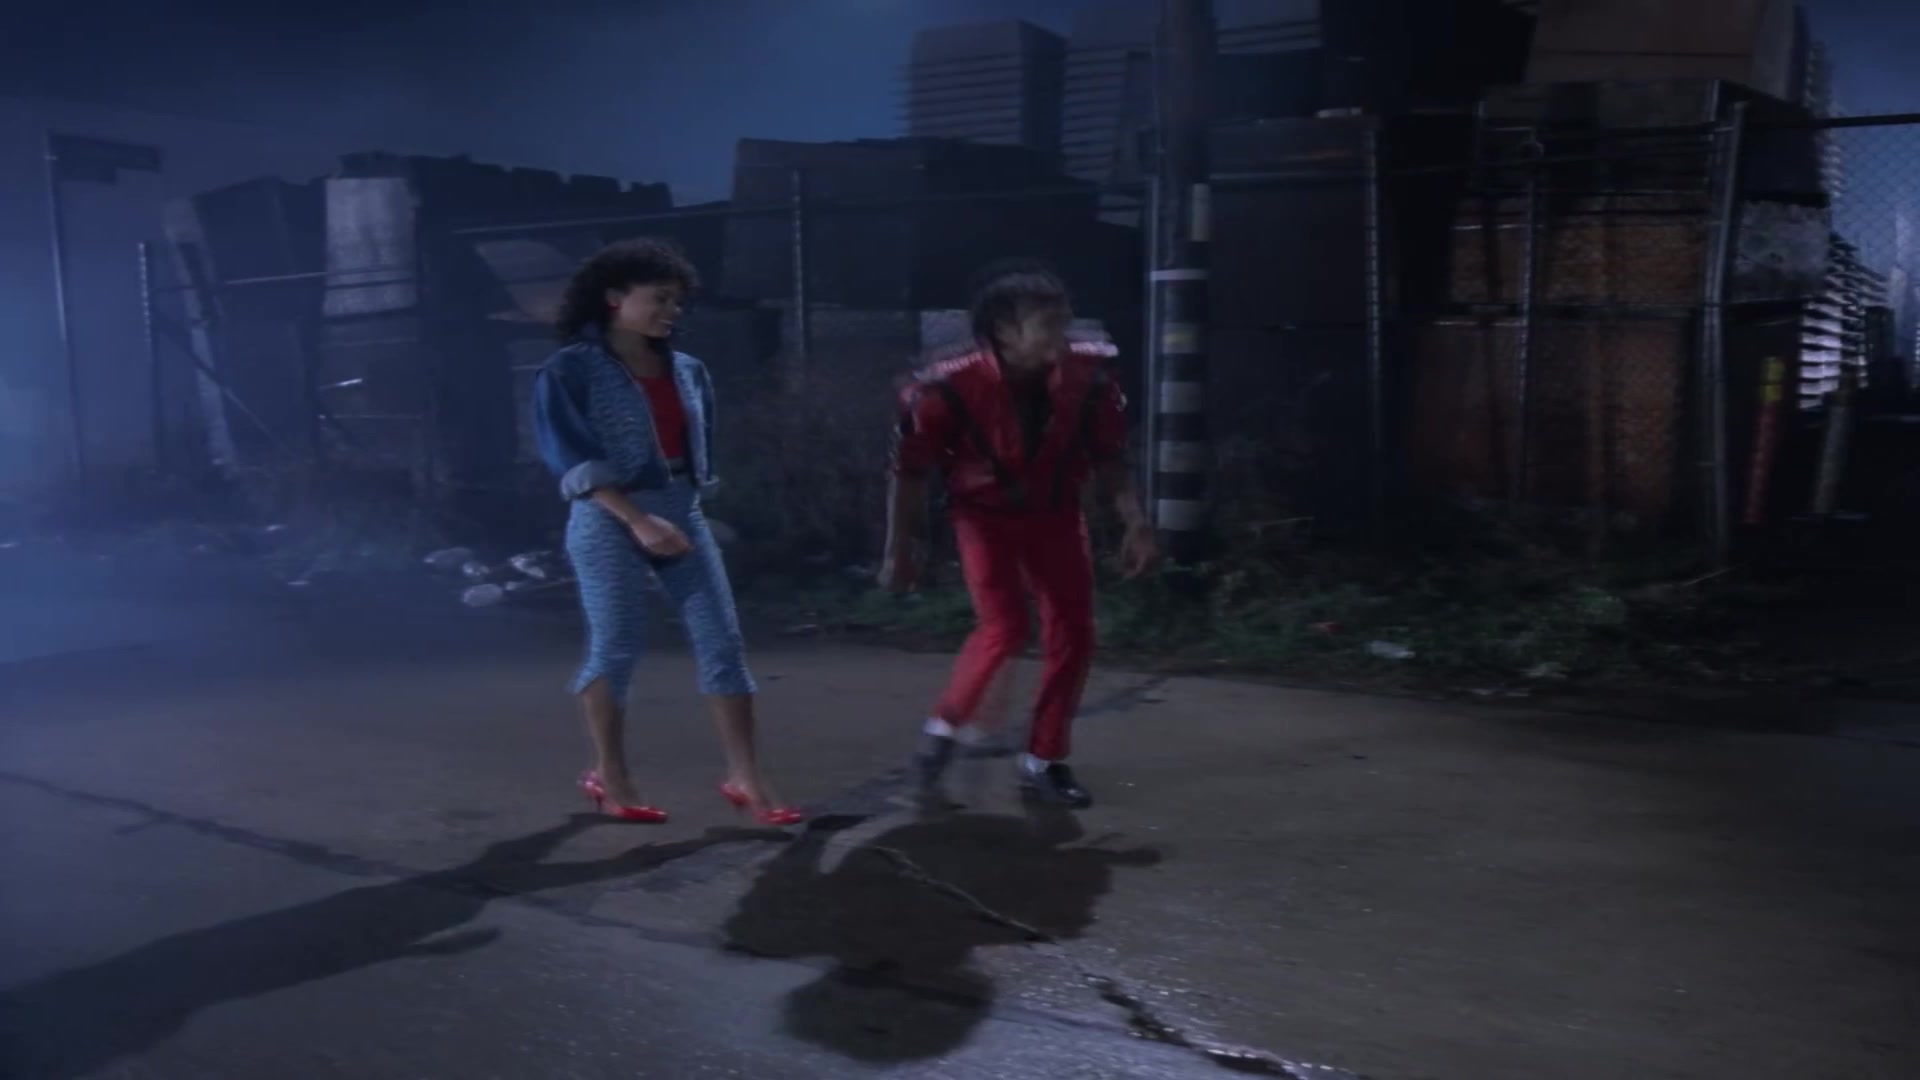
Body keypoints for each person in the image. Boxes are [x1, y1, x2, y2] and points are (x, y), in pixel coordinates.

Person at [533, 238, 801, 826]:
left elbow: (691, 449)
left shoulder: (687, 370)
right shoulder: (569, 370)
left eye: (677, 301)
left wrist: (685, 506)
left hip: (681, 507)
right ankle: (610, 774)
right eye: (658, 298)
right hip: (608, 514)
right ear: (614, 298)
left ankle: (747, 777)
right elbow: (571, 457)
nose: (671, 311)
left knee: (723, 643)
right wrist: (638, 519)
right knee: (617, 644)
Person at [880, 262, 1158, 808]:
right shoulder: (947, 387)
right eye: (1047, 324)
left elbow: (1110, 456)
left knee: (1074, 632)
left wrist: (1136, 523)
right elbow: (908, 472)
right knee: (1004, 627)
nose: (1062, 335)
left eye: (1064, 321)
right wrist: (899, 550)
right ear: (1004, 331)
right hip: (983, 516)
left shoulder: (1088, 377)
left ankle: (1045, 758)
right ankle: (942, 731)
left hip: (1056, 513)